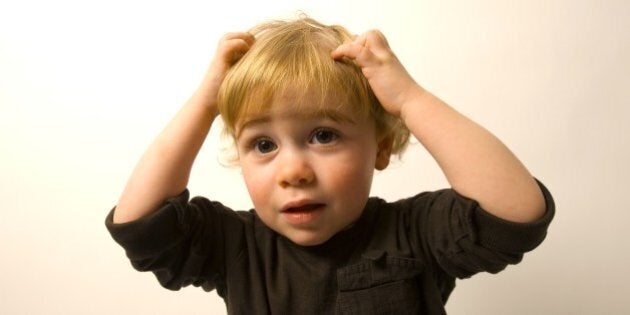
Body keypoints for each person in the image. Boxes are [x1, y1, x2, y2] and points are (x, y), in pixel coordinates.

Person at [106, 16, 554, 314]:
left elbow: (515, 213)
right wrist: (206, 104)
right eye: (263, 144)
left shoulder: (415, 232)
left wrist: (409, 99)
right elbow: (139, 223)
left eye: (323, 136)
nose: (293, 171)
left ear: (380, 147)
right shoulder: (235, 245)